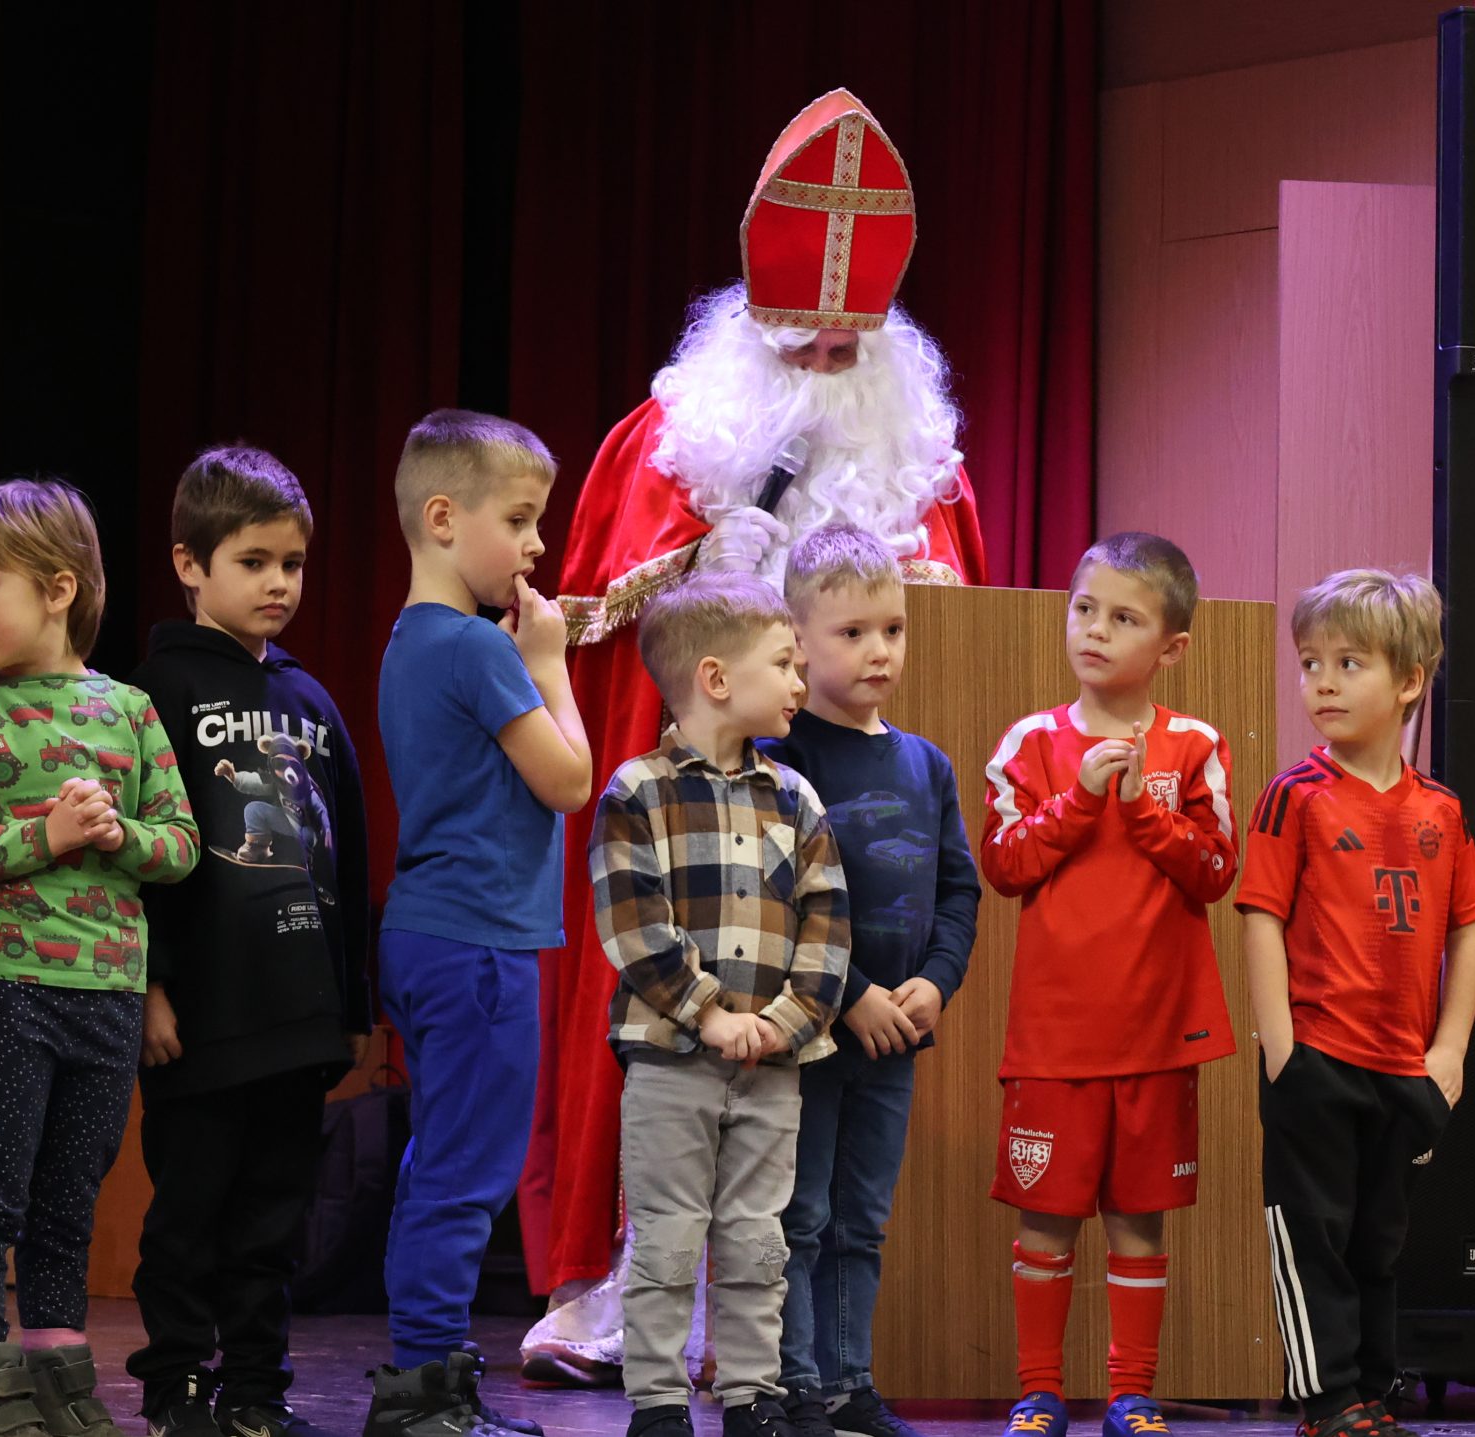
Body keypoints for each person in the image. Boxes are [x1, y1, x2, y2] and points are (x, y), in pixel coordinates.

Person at [526, 88, 988, 1399]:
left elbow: (969, 630)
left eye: (851, 346)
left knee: (831, 1141)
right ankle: (635, 1303)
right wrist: (702, 564)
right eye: (803, 341)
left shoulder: (925, 468)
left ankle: (813, 1350)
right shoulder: (675, 440)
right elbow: (600, 621)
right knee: (697, 1070)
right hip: (708, 829)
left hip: (858, 829)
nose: (828, 363)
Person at [0, 480, 199, 1437]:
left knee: (70, 1199)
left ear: (59, 588)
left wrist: (117, 835)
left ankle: (56, 1373)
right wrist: (49, 832)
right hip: (8, 988)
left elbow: (181, 844)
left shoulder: (130, 709)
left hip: (106, 993)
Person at [126, 446, 372, 1437]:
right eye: (254, 562)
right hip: (201, 1011)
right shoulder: (153, 690)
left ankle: (257, 1393)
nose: (279, 583)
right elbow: (133, 857)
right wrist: (149, 987)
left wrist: (350, 1002)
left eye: (293, 563)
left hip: (298, 1011)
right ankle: (178, 1383)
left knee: (274, 1216)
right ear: (190, 564)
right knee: (191, 1209)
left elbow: (347, 849)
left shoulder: (312, 701)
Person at [978, 533, 1238, 1437]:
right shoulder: (1031, 742)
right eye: (1084, 608)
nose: (1094, 629)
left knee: (1139, 1221)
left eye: (1124, 617)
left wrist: (1143, 811)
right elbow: (1004, 864)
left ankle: (1132, 1393)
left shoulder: (1195, 746)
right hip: (1053, 1039)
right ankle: (1038, 1391)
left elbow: (1217, 869)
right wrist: (1080, 800)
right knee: (1045, 1220)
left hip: (1159, 1037)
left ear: (1171, 647)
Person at [368, 411, 591, 1437]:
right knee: (465, 1173)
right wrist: (549, 664)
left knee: (441, 1161)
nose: (537, 545)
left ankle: (428, 1376)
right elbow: (569, 779)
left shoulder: (410, 641)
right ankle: (424, 1394)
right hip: (479, 945)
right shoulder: (475, 648)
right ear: (444, 518)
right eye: (521, 519)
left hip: (429, 935)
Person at [1236, 571, 1475, 1437]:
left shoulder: (1442, 811)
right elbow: (1262, 917)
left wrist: (1449, 1051)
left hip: (1404, 1070)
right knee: (1313, 1238)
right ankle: (1328, 1398)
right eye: (1312, 663)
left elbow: (1468, 928)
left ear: (1410, 679)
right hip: (1316, 1061)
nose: (1324, 682)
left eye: (1349, 663)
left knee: (1379, 1240)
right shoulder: (1294, 796)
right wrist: (1282, 1050)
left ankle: (1373, 1394)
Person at [593, 574, 849, 1437]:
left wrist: (782, 1022)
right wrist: (707, 1012)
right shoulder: (637, 792)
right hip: (671, 1061)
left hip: (772, 1066)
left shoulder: (796, 799)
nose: (800, 681)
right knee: (667, 1236)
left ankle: (751, 1395)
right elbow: (634, 924)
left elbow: (828, 924)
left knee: (757, 1238)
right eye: (784, 663)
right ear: (715, 677)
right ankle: (659, 1401)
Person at [752, 526, 978, 1437]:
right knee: (800, 1215)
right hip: (811, 1032)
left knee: (862, 1219)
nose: (879, 649)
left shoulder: (927, 764)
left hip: (896, 1038)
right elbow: (776, 897)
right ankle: (795, 1385)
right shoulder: (780, 758)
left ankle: (850, 1380)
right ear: (798, 639)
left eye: (892, 628)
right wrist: (851, 994)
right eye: (853, 632)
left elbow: (957, 888)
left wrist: (936, 982)